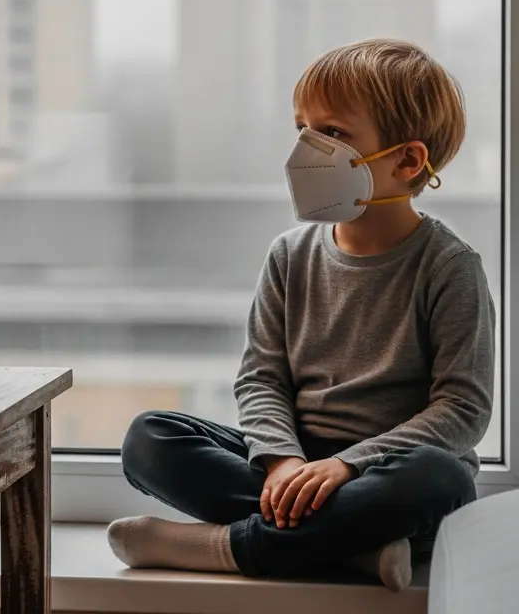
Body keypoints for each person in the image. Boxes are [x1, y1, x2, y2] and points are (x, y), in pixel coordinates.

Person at [107, 39, 495, 591]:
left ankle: (227, 547)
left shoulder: (450, 266)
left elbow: (463, 410)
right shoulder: (290, 254)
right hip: (291, 470)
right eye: (302, 130)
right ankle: (353, 552)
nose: (308, 149)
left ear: (407, 160)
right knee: (149, 438)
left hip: (384, 475)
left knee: (441, 478)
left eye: (332, 133)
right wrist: (283, 463)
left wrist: (349, 466)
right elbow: (262, 378)